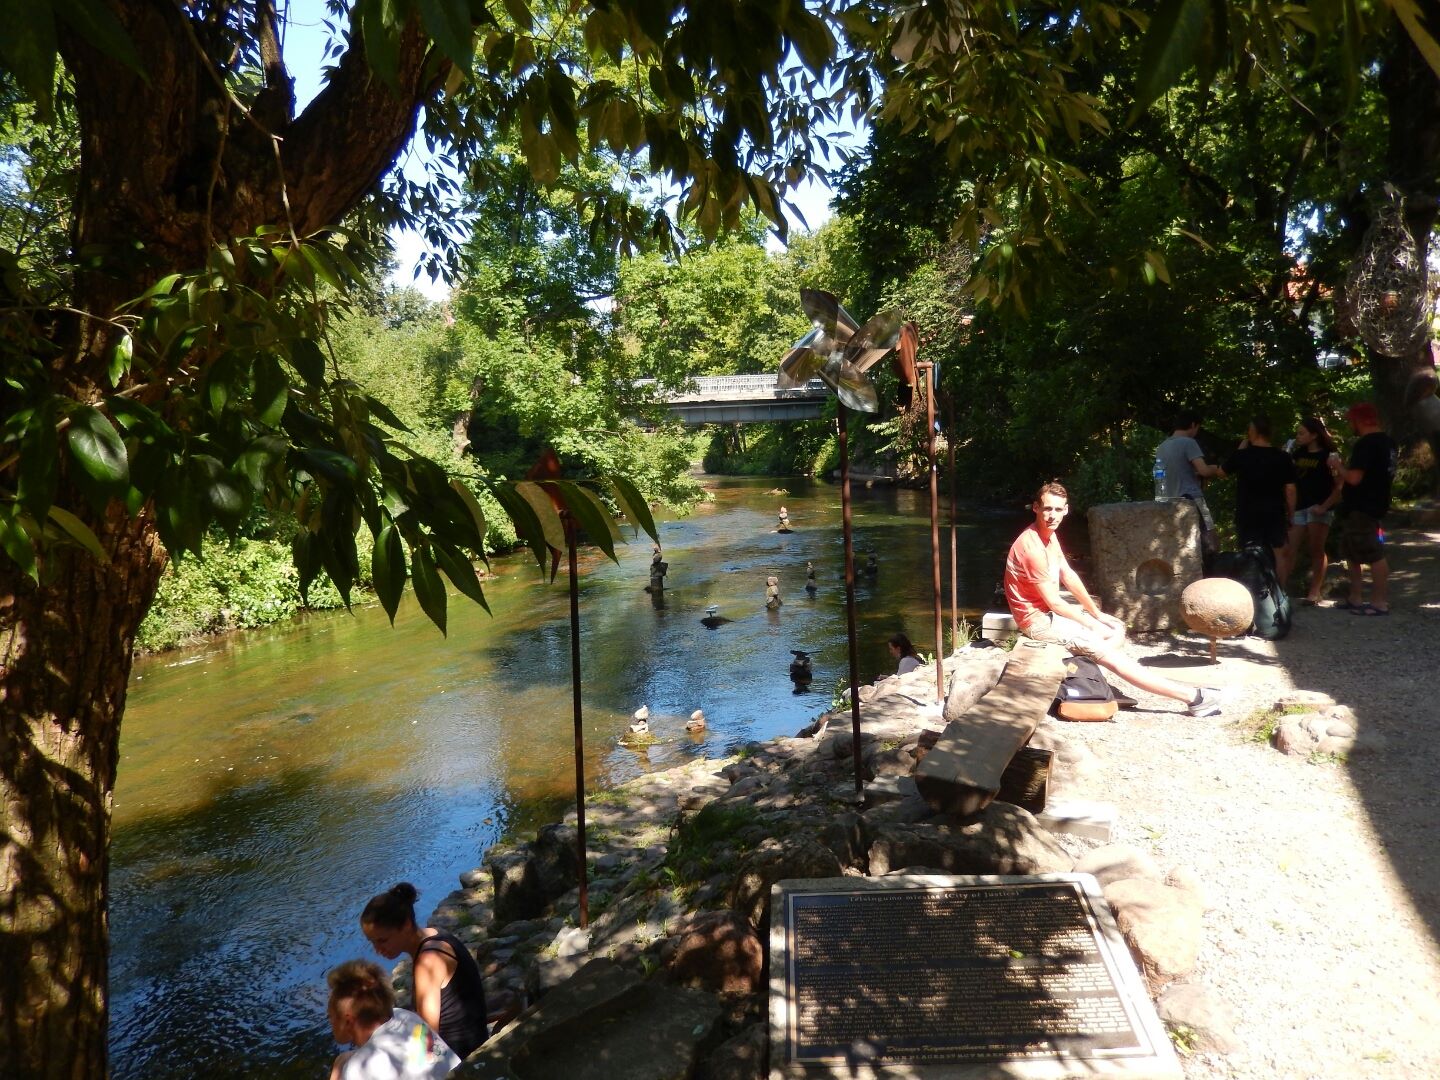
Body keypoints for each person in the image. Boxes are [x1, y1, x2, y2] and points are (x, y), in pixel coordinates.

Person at [1004, 482, 1222, 716]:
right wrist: (1091, 625)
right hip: (1037, 622)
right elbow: (1054, 602)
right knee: (1103, 645)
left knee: (1115, 629)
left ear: (1066, 510)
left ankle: (1092, 678)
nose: (1052, 515)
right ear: (1036, 508)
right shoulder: (1032, 548)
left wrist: (1097, 614)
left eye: (1058, 509)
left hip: (1049, 615)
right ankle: (1194, 698)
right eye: (1047, 509)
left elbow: (1068, 575)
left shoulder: (1049, 535)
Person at [360, 883, 488, 1061]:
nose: (377, 950)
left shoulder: (428, 961)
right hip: (470, 1042)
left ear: (406, 925)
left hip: (459, 1058)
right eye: (372, 942)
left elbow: (427, 1040)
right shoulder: (435, 935)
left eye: (382, 940)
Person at [326, 959, 459, 1080]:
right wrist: (341, 1062)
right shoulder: (404, 1016)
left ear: (348, 1021)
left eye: (331, 1016)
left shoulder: (359, 1068)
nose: (330, 1021)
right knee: (342, 1060)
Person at [1221, 415, 1298, 582]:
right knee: (1279, 554)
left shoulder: (1242, 456)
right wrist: (1291, 514)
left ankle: (1251, 591)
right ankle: (1280, 593)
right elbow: (1290, 489)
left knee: (1248, 553)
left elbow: (1221, 472)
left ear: (1253, 431)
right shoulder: (1283, 457)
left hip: (1247, 512)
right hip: (1274, 512)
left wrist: (1240, 449)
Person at [1338, 402, 1397, 615]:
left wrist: (1337, 466)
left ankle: (1379, 602)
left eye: (1351, 421)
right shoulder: (1388, 442)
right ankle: (1355, 597)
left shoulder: (1367, 443)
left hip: (1364, 507)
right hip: (1373, 504)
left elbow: (1354, 478)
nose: (1350, 425)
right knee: (1352, 551)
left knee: (1374, 553)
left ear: (1360, 420)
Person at [1286, 416, 1344, 604]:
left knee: (1316, 549)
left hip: (1318, 508)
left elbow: (1339, 486)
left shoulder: (1329, 456)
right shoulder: (1297, 454)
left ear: (1314, 435)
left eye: (1302, 433)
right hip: (1298, 507)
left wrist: (1324, 506)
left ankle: (1314, 592)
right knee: (1289, 548)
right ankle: (1280, 589)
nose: (1298, 436)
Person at [1156, 410, 1222, 554]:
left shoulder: (1162, 447)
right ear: (1193, 425)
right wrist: (1216, 468)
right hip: (1193, 498)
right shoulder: (1189, 442)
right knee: (1210, 538)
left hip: (1168, 501)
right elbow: (1204, 470)